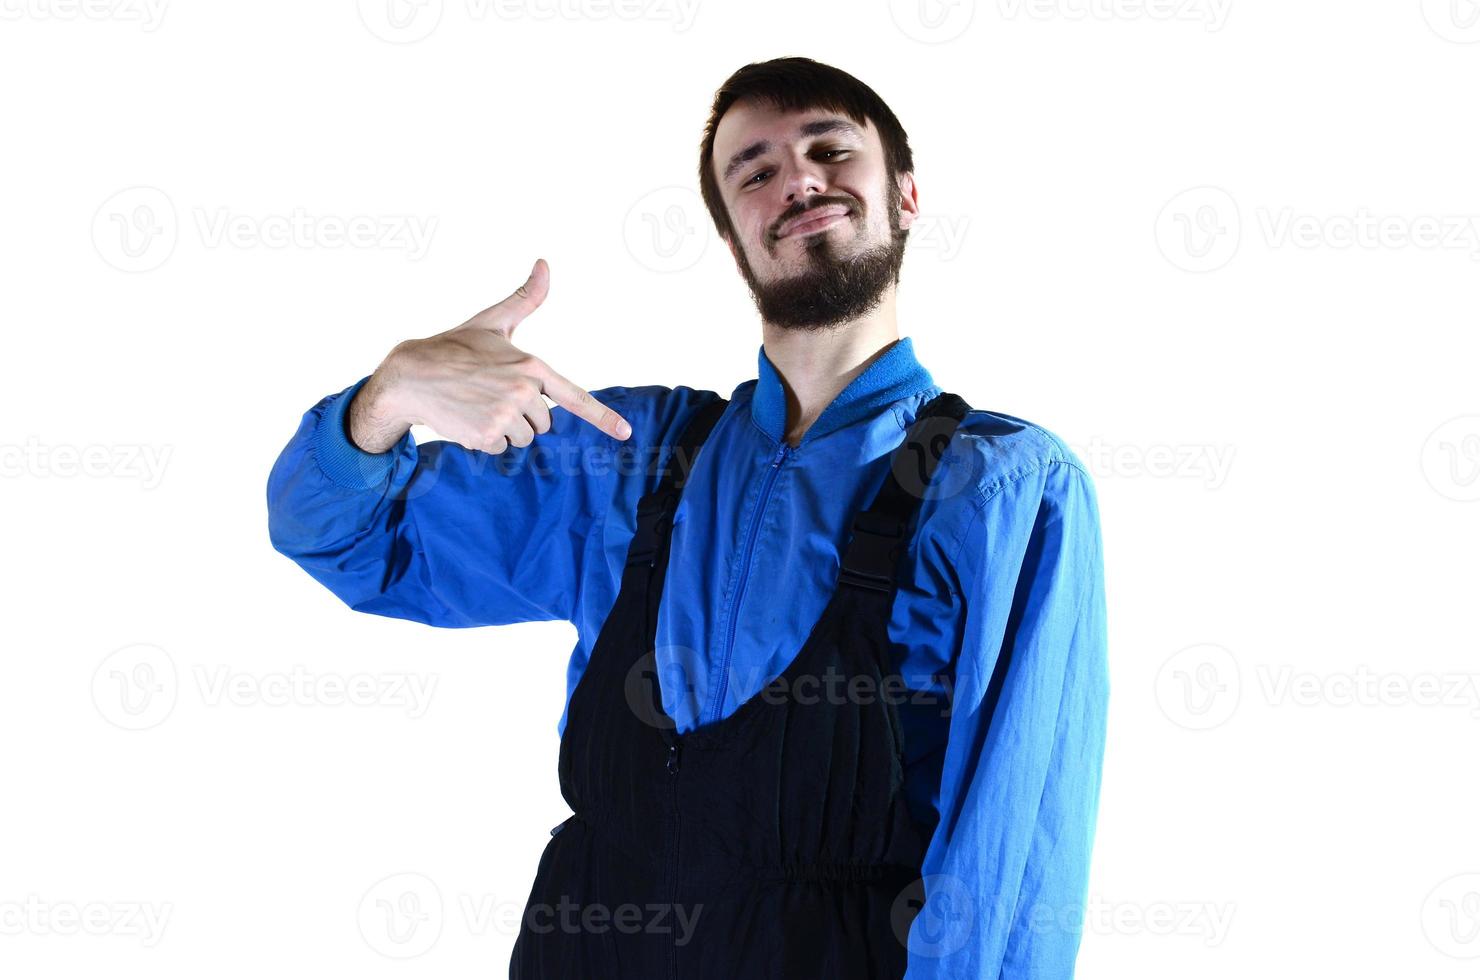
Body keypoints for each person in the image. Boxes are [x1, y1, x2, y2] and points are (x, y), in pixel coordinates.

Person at [267, 56, 1109, 979]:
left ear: (906, 195)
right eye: (755, 171)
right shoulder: (629, 457)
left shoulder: (1000, 488)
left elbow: (1012, 883)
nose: (797, 177)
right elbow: (340, 535)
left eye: (830, 147)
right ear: (735, 236)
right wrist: (388, 397)